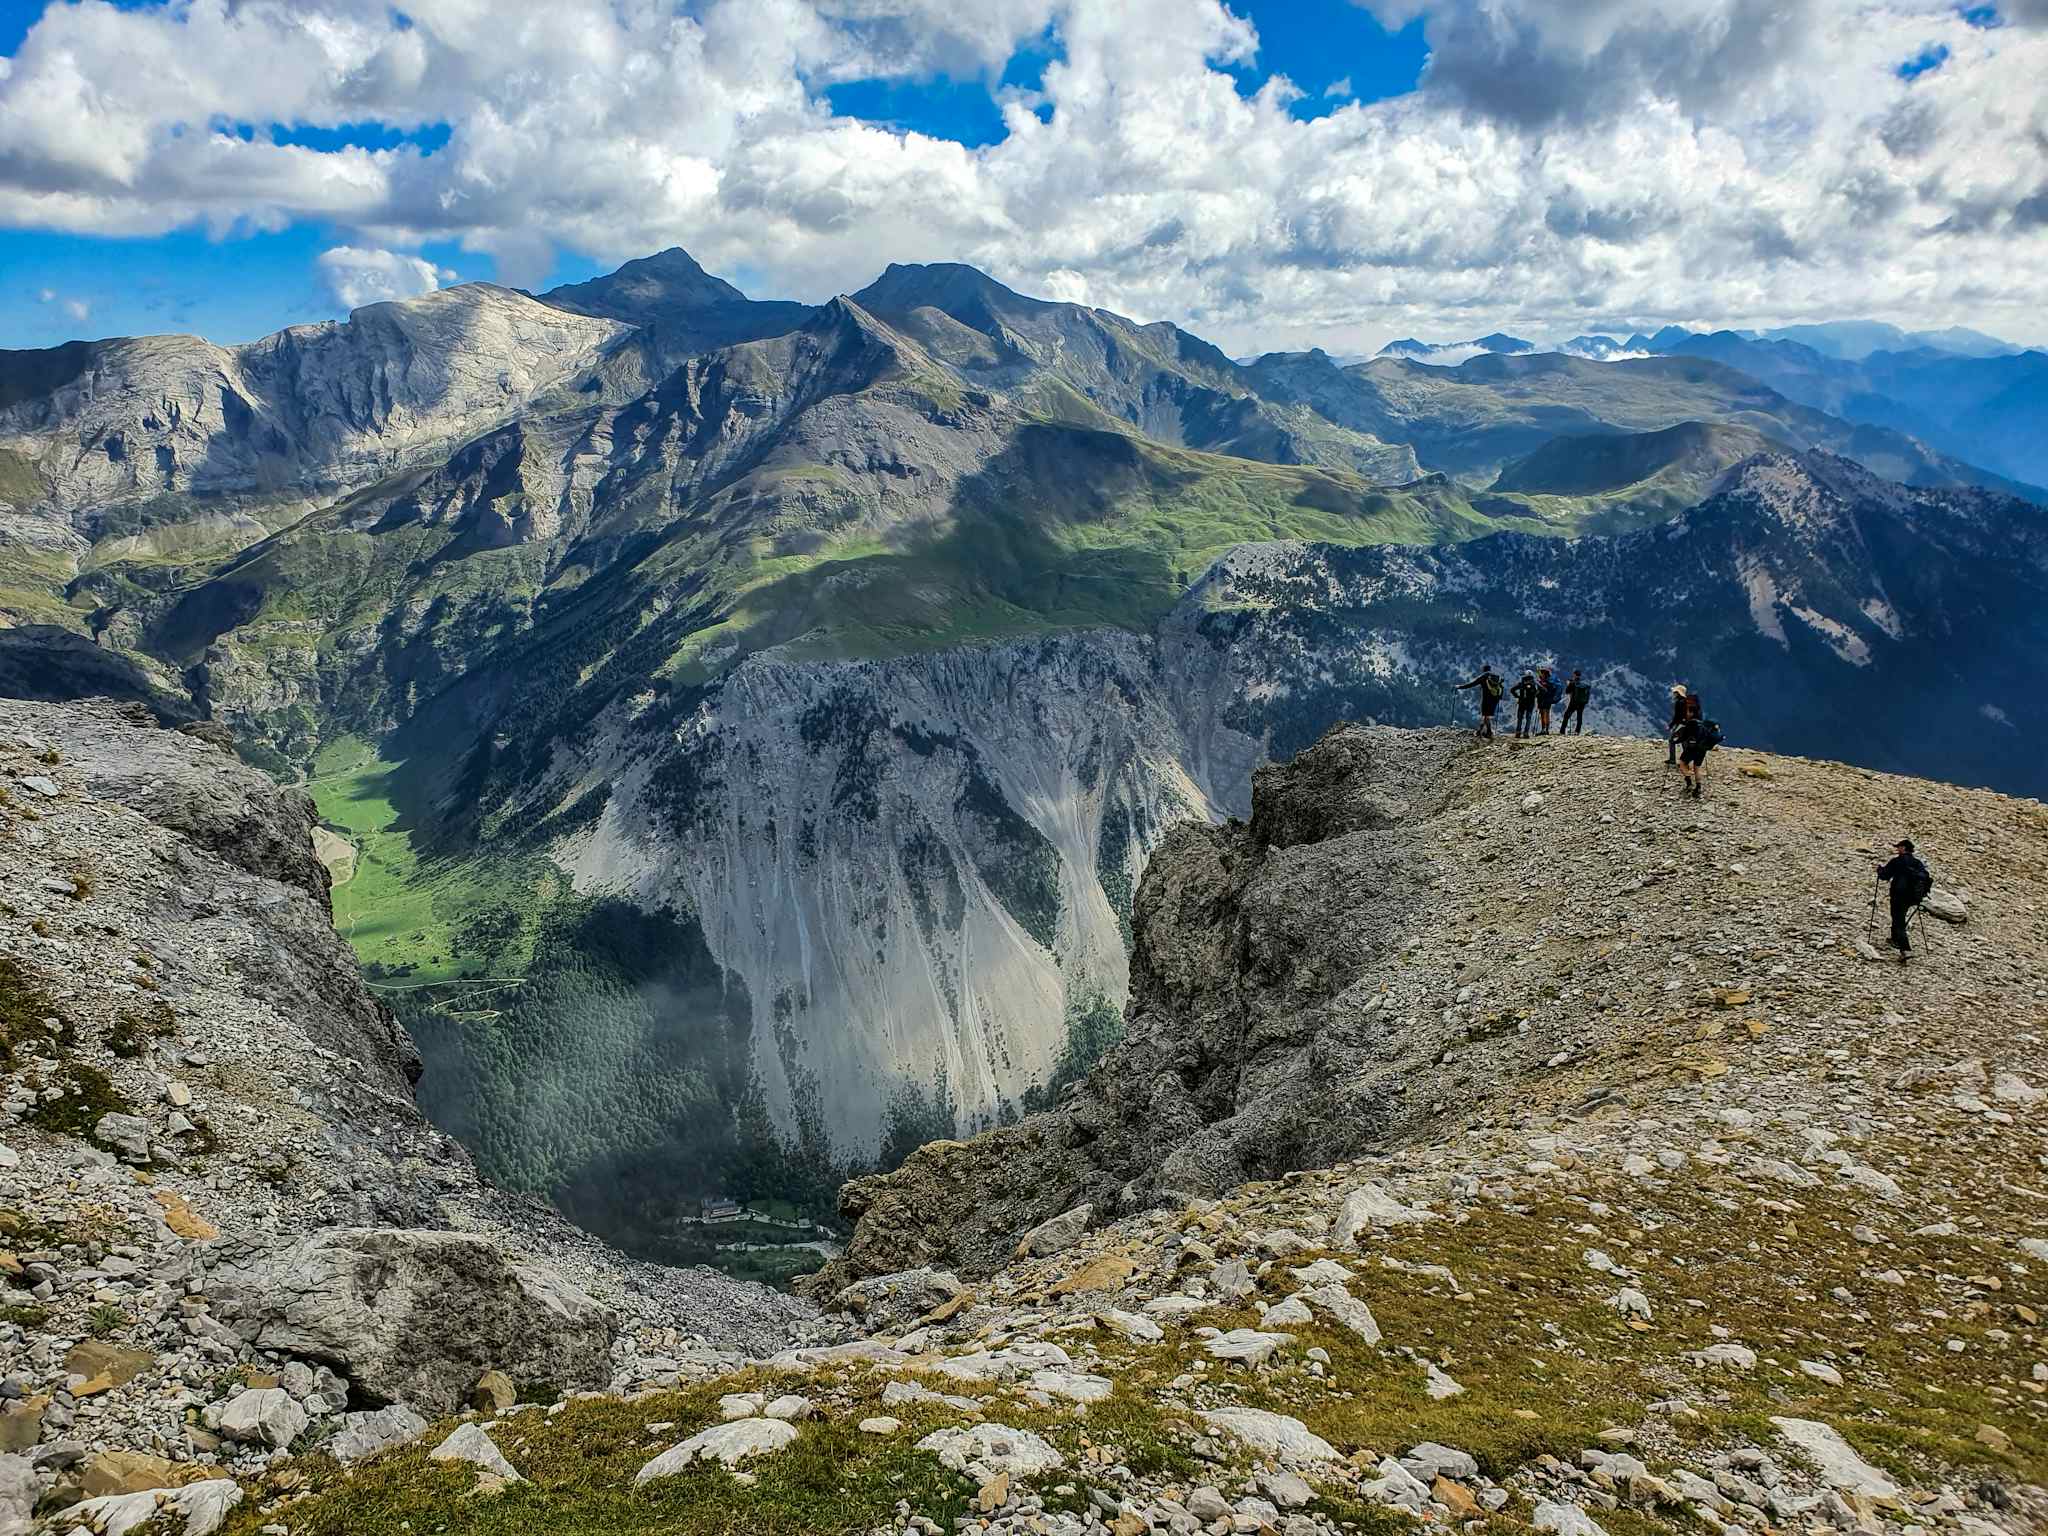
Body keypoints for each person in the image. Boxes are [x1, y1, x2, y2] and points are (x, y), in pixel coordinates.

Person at [1875, 838, 1931, 963]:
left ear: (1904, 848)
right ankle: (1894, 939)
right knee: (1899, 917)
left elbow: (1885, 875)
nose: (1897, 849)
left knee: (1898, 920)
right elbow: (1925, 876)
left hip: (1898, 895)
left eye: (1899, 847)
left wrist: (1879, 870)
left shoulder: (1897, 861)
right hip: (1912, 897)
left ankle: (1905, 950)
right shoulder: (1917, 863)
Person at [1670, 700, 1718, 798]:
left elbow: (1683, 737)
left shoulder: (1691, 723)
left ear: (1691, 713)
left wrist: (1674, 742)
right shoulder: (1703, 723)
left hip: (1692, 749)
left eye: (1687, 712)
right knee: (1697, 768)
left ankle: (1688, 782)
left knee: (1682, 763)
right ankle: (1698, 788)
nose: (1686, 713)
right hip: (1702, 750)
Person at [1456, 665, 1504, 739]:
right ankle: (1482, 731)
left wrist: (1460, 687)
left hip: (1486, 699)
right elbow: (1500, 687)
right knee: (1486, 716)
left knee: (1486, 715)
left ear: (1483, 670)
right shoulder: (1496, 677)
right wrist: (1499, 697)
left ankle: (1487, 732)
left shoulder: (1484, 676)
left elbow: (1472, 684)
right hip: (1494, 699)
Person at [1560, 670, 1590, 734]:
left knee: (1566, 715)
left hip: (1573, 703)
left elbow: (1567, 691)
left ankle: (1562, 731)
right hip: (1582, 703)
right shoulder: (1583, 684)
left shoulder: (1572, 683)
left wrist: (1568, 684)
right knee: (1579, 717)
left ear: (1574, 675)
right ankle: (1577, 731)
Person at [1666, 685, 1689, 766]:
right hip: (1687, 724)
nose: (1673, 694)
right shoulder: (1687, 701)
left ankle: (1672, 760)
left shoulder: (1679, 702)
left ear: (1678, 693)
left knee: (1672, 740)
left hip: (1680, 725)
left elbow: (1677, 716)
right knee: (1684, 742)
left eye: (1675, 692)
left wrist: (1670, 725)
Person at [1510, 671, 1538, 738]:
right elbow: (1540, 691)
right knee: (1528, 718)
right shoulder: (1534, 683)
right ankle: (1526, 733)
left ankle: (1518, 733)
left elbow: (1512, 690)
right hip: (1530, 703)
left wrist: (1517, 696)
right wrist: (1535, 695)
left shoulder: (1521, 683)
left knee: (1520, 718)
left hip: (1522, 702)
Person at [1536, 667, 1560, 734]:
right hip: (1546, 700)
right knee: (1544, 714)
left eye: (1542, 673)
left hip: (1544, 700)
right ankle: (1545, 729)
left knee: (1545, 714)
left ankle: (1545, 730)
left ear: (1544, 674)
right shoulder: (1549, 683)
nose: (1541, 675)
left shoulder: (1546, 683)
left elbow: (1541, 692)